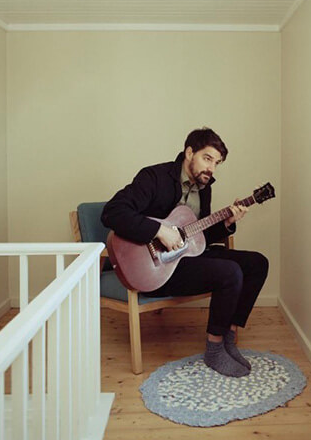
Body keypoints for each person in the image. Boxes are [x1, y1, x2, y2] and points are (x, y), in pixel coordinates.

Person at [100, 127, 269, 378]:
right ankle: (214, 349)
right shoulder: (154, 177)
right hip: (154, 269)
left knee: (257, 263)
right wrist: (158, 230)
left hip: (186, 260)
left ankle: (227, 338)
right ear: (189, 152)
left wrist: (226, 223)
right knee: (230, 272)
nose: (211, 169)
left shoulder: (204, 187)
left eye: (217, 163)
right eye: (207, 158)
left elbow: (198, 238)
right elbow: (112, 212)